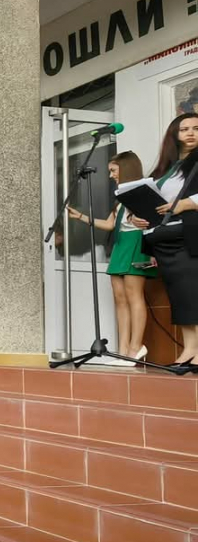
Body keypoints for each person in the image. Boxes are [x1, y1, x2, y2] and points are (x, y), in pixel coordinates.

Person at [68, 151, 156, 365]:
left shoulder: (143, 193)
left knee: (134, 296)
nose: (111, 175)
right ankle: (123, 350)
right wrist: (82, 217)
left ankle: (136, 347)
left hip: (137, 243)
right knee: (120, 298)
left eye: (113, 170)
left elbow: (154, 221)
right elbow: (109, 224)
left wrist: (154, 251)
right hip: (120, 245)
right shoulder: (120, 200)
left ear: (126, 169)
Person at [135, 112, 198, 370]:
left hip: (190, 237)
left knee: (193, 293)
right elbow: (153, 203)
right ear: (175, 134)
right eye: (184, 129)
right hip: (164, 242)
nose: (191, 133)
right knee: (180, 296)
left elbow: (180, 203)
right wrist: (138, 216)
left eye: (196, 128)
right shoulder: (165, 169)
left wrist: (186, 203)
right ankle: (189, 350)